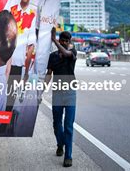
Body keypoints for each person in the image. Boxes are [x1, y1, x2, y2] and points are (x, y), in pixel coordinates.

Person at [45, 28, 77, 168]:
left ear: (69, 42)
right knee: (56, 123)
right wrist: (40, 91)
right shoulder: (52, 56)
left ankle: (68, 156)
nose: (64, 43)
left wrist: (54, 41)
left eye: (66, 41)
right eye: (62, 40)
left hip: (70, 93)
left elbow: (65, 53)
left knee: (68, 126)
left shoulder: (72, 53)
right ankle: (60, 144)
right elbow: (49, 74)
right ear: (60, 40)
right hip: (57, 93)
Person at [6, 0, 37, 111]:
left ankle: (2, 129)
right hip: (3, 63)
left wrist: (26, 74)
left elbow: (30, 48)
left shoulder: (32, 16)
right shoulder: (11, 11)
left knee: (9, 101)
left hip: (17, 65)